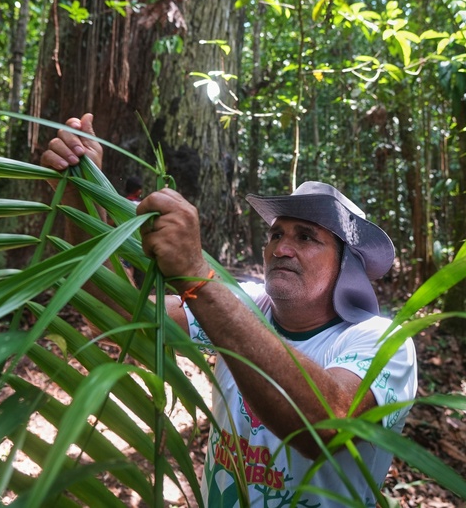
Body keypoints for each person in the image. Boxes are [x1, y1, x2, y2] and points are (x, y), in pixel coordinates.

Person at [42, 114, 418, 507]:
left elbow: (326, 430)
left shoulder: (382, 340)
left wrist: (195, 277)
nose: (281, 249)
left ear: (348, 264)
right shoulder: (245, 305)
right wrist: (79, 197)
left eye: (306, 237)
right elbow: (120, 317)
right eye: (276, 234)